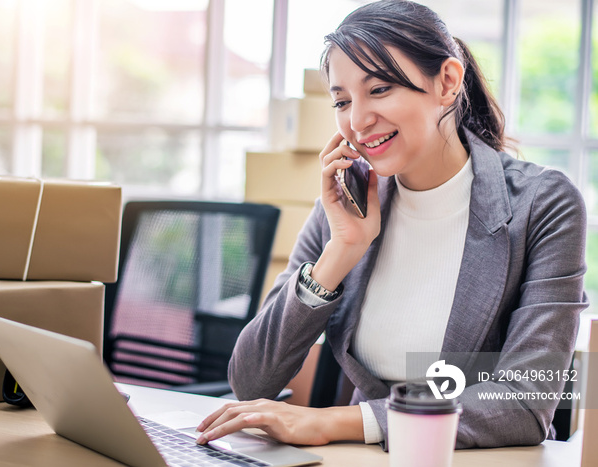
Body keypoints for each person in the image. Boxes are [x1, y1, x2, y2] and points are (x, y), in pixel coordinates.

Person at [196, 0, 588, 449]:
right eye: (342, 100)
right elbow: (250, 381)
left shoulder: (544, 204)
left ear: (447, 81)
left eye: (379, 89)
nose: (358, 121)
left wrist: (333, 422)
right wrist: (342, 250)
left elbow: (524, 403)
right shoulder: (349, 203)